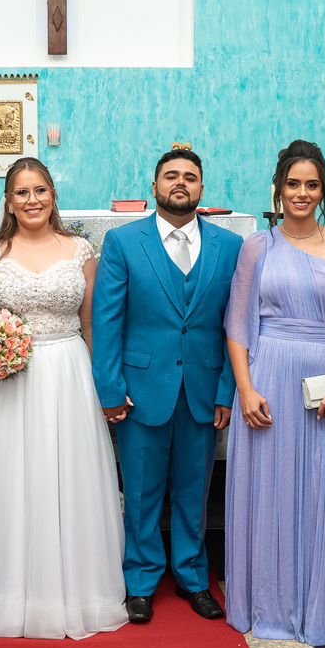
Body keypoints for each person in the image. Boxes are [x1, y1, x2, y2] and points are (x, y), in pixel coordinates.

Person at [0, 157, 127, 639]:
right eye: (21, 192)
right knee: (14, 476)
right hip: (11, 377)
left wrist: (101, 384)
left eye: (40, 190)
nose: (32, 200)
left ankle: (77, 588)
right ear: (7, 201)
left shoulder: (81, 251)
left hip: (68, 371)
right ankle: (13, 590)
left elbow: (92, 322)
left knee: (68, 473)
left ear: (53, 195)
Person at [224, 139, 325, 644]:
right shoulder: (256, 247)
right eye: (293, 184)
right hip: (270, 378)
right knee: (271, 490)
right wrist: (245, 389)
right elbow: (239, 325)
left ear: (324, 191)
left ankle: (324, 603)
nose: (301, 193)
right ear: (278, 189)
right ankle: (271, 602)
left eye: (311, 185)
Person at [92, 147, 243, 624]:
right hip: (141, 391)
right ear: (154, 186)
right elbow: (106, 320)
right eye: (171, 176)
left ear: (202, 189)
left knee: (193, 489)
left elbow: (233, 326)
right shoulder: (123, 243)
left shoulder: (229, 246)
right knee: (140, 490)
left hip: (202, 388)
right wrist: (111, 390)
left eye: (190, 177)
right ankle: (139, 580)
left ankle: (193, 578)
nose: (181, 183)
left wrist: (225, 391)